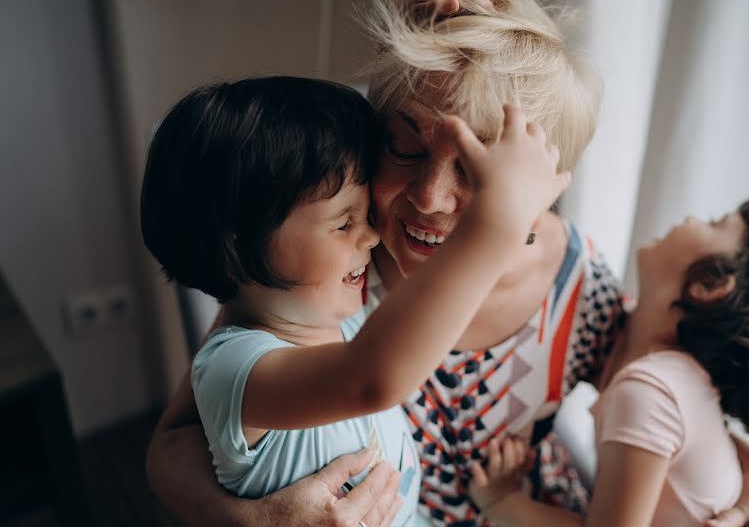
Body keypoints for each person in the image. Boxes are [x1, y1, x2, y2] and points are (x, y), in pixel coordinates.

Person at [145, 0, 749, 527]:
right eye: (406, 147)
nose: (428, 197)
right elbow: (177, 437)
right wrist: (246, 519)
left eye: (478, 171)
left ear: (539, 186)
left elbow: (663, 393)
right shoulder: (324, 276)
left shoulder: (577, 285)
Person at [140, 76, 568, 525]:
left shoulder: (332, 310)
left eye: (364, 215)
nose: (370, 235)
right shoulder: (234, 372)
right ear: (238, 248)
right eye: (343, 224)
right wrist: (495, 223)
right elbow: (372, 379)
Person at [468, 199, 749, 526]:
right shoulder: (670, 379)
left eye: (713, 223)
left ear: (711, 285)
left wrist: (501, 501)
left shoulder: (651, 390)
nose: (691, 217)